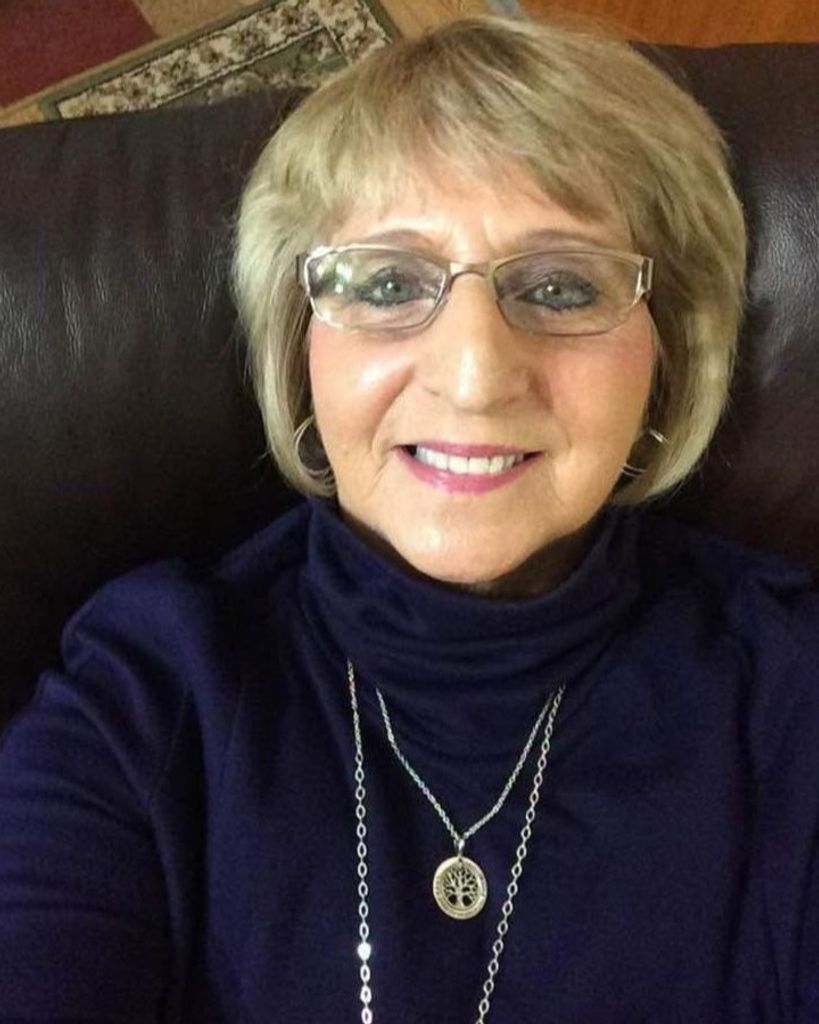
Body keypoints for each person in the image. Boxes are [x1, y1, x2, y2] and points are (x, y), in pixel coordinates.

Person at [1, 10, 818, 1023]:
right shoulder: (146, 690)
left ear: (669, 354)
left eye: (562, 286)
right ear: (298, 348)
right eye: (388, 282)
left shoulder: (791, 694)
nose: (474, 374)